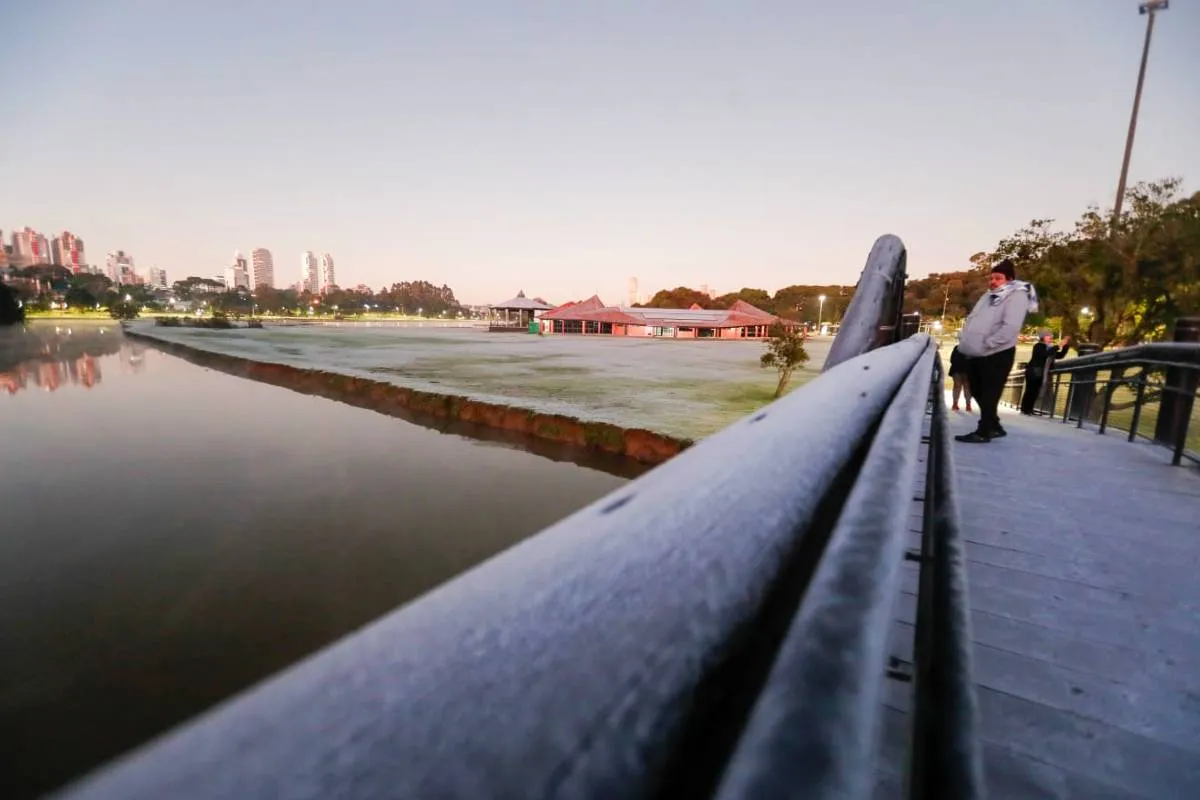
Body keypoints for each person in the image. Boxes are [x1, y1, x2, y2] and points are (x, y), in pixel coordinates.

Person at [954, 259, 1037, 443]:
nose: (993, 282)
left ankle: (984, 431)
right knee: (976, 389)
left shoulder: (1016, 296)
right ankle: (995, 425)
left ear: (1010, 279)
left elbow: (1010, 327)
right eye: (991, 278)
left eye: (998, 278)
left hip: (997, 354)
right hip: (976, 353)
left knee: (990, 393)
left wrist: (988, 343)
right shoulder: (988, 296)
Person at [1020, 330, 1071, 415]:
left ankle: (1029, 409)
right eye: (1048, 336)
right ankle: (1025, 409)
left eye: (1051, 336)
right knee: (1030, 390)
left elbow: (1060, 355)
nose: (1051, 337)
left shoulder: (1050, 348)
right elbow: (1045, 354)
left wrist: (1065, 346)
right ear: (1043, 337)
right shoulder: (1038, 346)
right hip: (1033, 371)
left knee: (1035, 391)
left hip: (1042, 372)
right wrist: (1058, 345)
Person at [948, 343, 972, 412]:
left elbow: (951, 359)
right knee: (967, 387)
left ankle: (955, 404)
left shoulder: (957, 348)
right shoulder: (972, 349)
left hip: (956, 369)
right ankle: (968, 405)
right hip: (967, 370)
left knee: (957, 386)